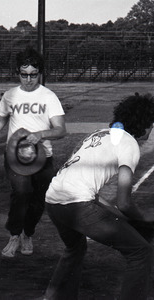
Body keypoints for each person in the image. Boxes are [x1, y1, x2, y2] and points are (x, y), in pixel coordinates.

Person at [43, 94, 154, 300]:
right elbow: (124, 202)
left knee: (74, 248)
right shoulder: (129, 144)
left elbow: (91, 194)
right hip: (76, 205)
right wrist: (143, 219)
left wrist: (122, 219)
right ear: (145, 125)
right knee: (140, 252)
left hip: (53, 201)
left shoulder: (100, 134)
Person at [0, 47, 66, 258]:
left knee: (39, 200)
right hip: (15, 157)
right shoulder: (10, 96)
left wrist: (41, 134)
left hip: (42, 156)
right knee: (21, 193)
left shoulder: (49, 97)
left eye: (33, 74)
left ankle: (27, 233)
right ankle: (14, 235)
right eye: (24, 74)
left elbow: (60, 130)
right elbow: (0, 120)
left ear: (40, 73)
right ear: (18, 73)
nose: (28, 79)